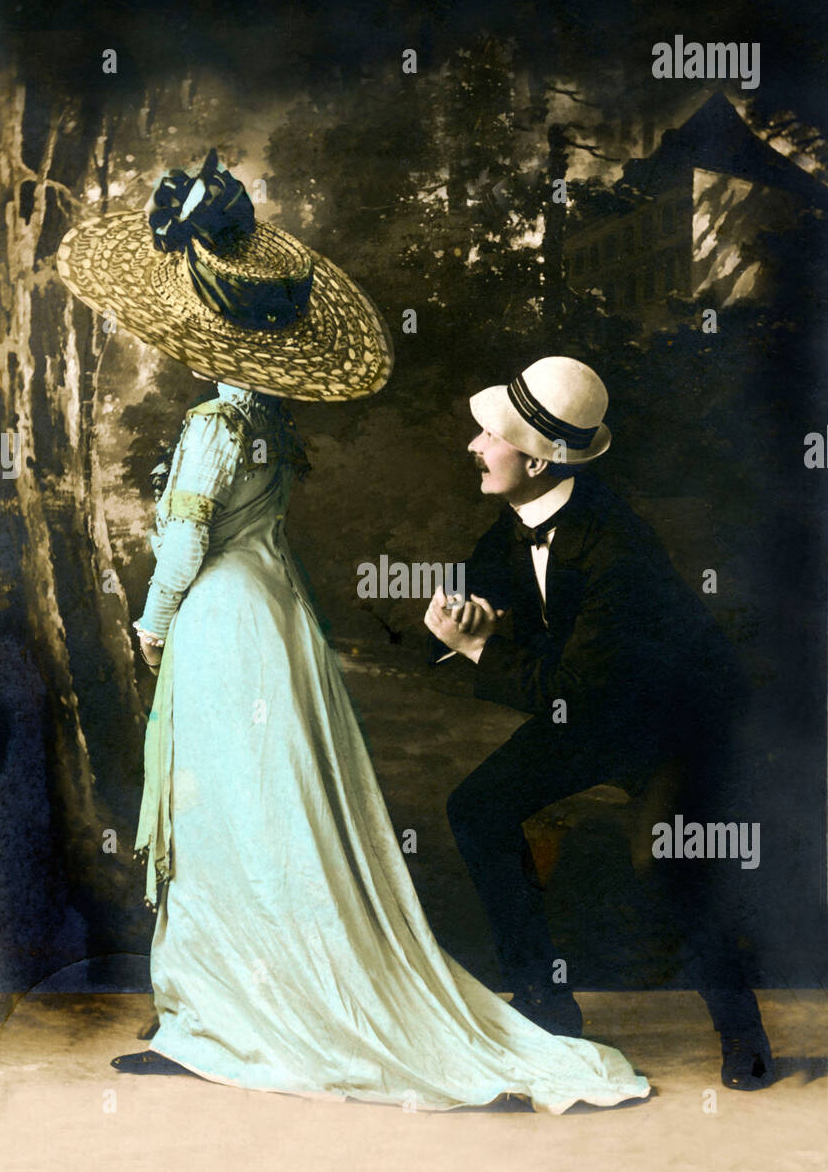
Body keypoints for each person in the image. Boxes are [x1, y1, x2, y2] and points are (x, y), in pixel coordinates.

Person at [55, 150, 649, 1113]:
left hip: (221, 619)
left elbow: (180, 548)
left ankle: (220, 1017)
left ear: (199, 325)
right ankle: (234, 1005)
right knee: (268, 816)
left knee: (225, 820)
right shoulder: (266, 422)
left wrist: (153, 628)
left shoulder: (214, 423)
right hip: (275, 617)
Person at [424, 356, 773, 1091]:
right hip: (586, 711)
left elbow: (576, 687)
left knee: (667, 861)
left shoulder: (619, 547)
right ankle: (546, 1002)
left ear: (533, 455)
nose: (472, 447)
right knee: (477, 807)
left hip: (671, 721)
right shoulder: (517, 517)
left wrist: (480, 645)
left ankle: (741, 1030)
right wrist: (466, 616)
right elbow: (481, 594)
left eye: (487, 435)